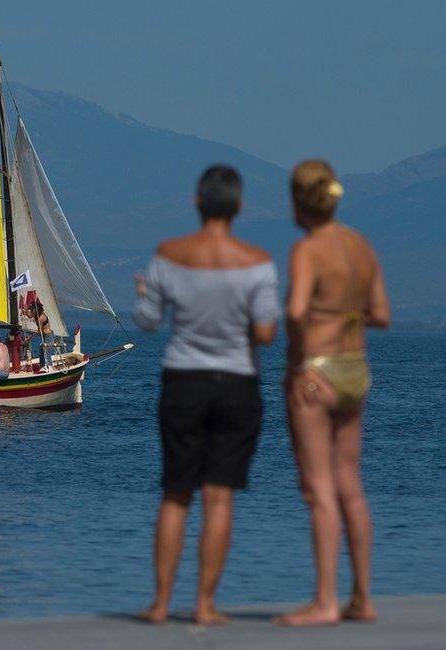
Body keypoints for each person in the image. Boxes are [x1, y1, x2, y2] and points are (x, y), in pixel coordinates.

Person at [132, 164, 279, 625]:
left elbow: (149, 321)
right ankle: (204, 605)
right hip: (237, 384)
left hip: (183, 381)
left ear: (197, 204)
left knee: (176, 494)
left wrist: (144, 293)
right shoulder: (257, 263)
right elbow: (267, 332)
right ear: (238, 206)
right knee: (219, 497)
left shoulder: (168, 255)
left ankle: (159, 605)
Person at [276, 160, 390, 627]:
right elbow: (380, 314)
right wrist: (346, 315)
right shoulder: (360, 245)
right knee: (351, 487)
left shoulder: (308, 250)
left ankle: (325, 599)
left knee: (318, 488)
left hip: (317, 372)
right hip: (355, 369)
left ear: (298, 203)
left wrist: (301, 361)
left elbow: (297, 311)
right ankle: (362, 597)